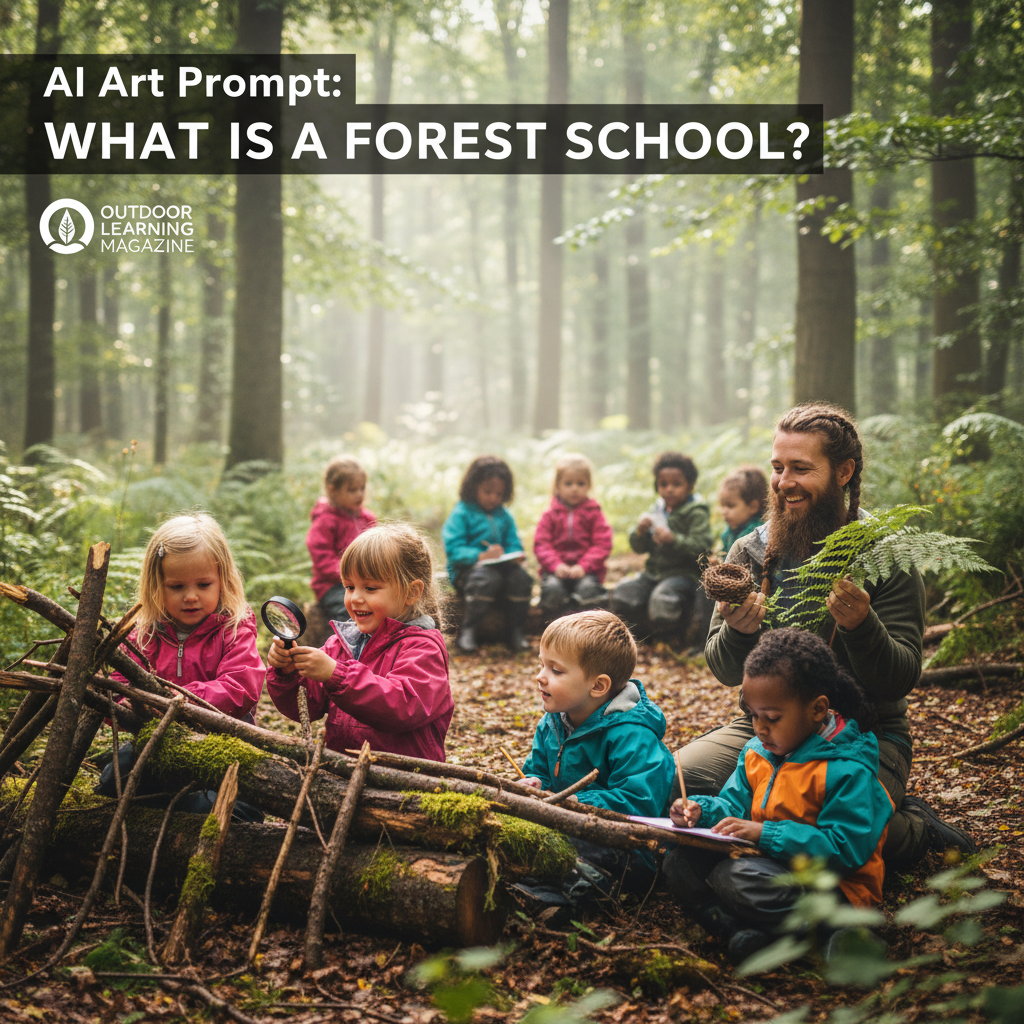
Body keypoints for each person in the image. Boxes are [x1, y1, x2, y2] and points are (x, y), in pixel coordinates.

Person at [680, 402, 974, 867]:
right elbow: (721, 668)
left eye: (801, 468)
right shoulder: (750, 551)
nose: (783, 482)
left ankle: (913, 830)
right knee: (677, 784)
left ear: (844, 472)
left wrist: (862, 626)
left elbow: (899, 680)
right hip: (765, 728)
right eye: (777, 467)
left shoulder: (883, 555)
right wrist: (738, 633)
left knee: (827, 828)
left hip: (863, 733)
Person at [663, 629, 893, 964]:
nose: (759, 728)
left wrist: (765, 834)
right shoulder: (757, 752)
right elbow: (734, 804)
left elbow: (845, 850)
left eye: (771, 718)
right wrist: (702, 811)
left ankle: (834, 933)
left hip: (834, 889)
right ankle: (738, 932)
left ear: (817, 710)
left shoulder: (847, 769)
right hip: (765, 864)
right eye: (753, 715)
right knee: (678, 860)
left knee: (738, 878)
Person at [96, 513, 265, 814]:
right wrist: (137, 706)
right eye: (176, 587)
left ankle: (191, 810)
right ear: (156, 585)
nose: (190, 597)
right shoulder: (144, 634)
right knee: (115, 779)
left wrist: (182, 700)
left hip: (222, 748)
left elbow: (241, 687)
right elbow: (118, 692)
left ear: (223, 581)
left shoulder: (234, 630)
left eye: (203, 584)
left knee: (223, 809)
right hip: (157, 745)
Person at [266, 523, 453, 760]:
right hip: (342, 773)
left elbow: (402, 706)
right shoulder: (340, 644)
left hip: (406, 780)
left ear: (411, 592)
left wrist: (336, 674)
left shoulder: (423, 648)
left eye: (370, 588)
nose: (355, 598)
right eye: (349, 587)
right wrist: (288, 673)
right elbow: (308, 706)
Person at [522, 610, 675, 895]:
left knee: (570, 861)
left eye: (556, 671)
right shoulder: (554, 722)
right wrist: (533, 783)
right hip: (564, 827)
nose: (540, 677)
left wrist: (576, 802)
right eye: (542, 665)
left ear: (598, 686)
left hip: (626, 849)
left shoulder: (632, 735)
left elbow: (639, 803)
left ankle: (554, 902)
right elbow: (538, 769)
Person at [611, 452, 714, 644]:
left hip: (683, 574)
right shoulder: (656, 510)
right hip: (653, 573)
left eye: (677, 484)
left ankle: (669, 640)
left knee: (662, 599)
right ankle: (637, 637)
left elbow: (703, 547)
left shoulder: (696, 512)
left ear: (690, 486)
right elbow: (638, 548)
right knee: (624, 592)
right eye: (663, 484)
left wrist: (674, 540)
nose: (669, 490)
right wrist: (640, 532)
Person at [442, 455, 534, 654]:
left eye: (499, 494)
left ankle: (515, 631)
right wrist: (480, 556)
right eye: (488, 491)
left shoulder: (504, 515)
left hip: (502, 571)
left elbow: (513, 543)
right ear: (473, 487)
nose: (494, 497)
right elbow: (454, 549)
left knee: (521, 578)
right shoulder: (462, 513)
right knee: (486, 578)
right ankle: (469, 629)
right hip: (468, 573)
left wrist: (514, 555)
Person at [534, 453, 612, 616]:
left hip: (587, 571)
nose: (574, 488)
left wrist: (583, 566)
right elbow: (542, 544)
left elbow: (602, 543)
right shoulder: (550, 514)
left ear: (588, 485)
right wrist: (556, 565)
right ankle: (552, 631)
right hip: (556, 570)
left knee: (588, 591)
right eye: (568, 483)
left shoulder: (594, 512)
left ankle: (586, 634)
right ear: (558, 486)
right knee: (553, 590)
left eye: (580, 483)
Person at [307, 456, 376, 623]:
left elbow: (378, 549)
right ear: (333, 490)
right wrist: (350, 574)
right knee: (348, 610)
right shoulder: (326, 521)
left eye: (362, 488)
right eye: (352, 490)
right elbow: (322, 559)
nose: (359, 494)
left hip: (365, 580)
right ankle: (341, 646)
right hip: (333, 585)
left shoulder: (366, 518)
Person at [717, 465, 768, 555]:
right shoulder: (729, 533)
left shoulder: (757, 534)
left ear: (753, 507)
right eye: (722, 505)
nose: (724, 511)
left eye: (730, 506)